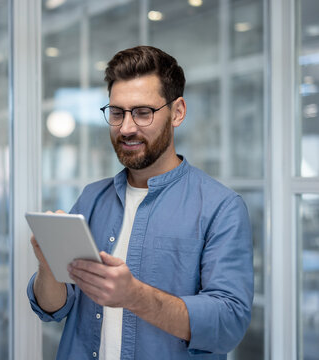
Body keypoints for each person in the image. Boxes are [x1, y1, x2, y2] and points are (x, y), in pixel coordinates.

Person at [27, 45, 254, 360]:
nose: (126, 127)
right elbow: (53, 308)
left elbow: (228, 323)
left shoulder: (221, 207)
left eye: (143, 112)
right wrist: (47, 266)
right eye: (117, 112)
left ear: (177, 112)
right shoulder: (91, 198)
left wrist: (135, 296)